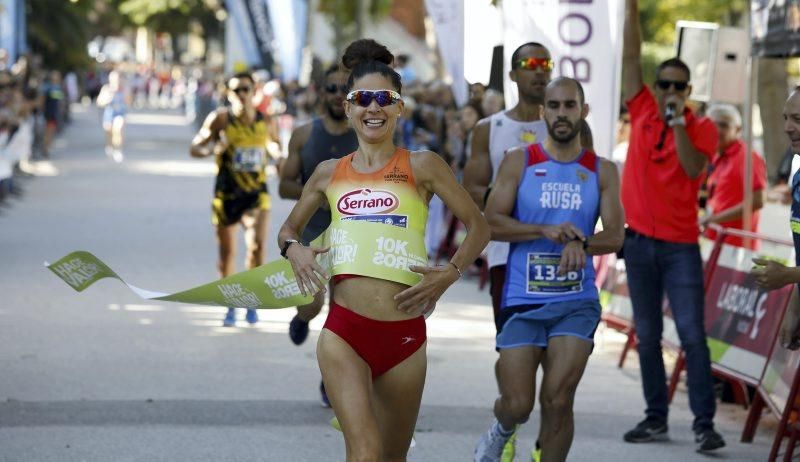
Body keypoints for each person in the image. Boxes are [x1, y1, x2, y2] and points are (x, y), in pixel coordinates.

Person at [278, 39, 489, 462]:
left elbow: (479, 227)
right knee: (366, 453)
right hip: (344, 333)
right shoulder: (326, 174)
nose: (373, 107)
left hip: (405, 338)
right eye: (362, 99)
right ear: (349, 108)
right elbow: (288, 229)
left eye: (384, 99)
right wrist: (294, 250)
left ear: (399, 108)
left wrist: (450, 273)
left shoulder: (424, 165)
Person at [474, 77, 624, 462]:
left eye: (569, 106)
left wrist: (582, 242)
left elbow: (616, 236)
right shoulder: (519, 161)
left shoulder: (601, 170)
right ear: (543, 112)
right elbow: (491, 222)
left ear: (583, 111)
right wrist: (542, 229)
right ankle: (502, 430)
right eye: (553, 106)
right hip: (523, 297)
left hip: (576, 301)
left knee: (558, 398)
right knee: (518, 404)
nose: (561, 113)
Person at [620, 0, 725, 451]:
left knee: (692, 337)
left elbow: (690, 167)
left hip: (680, 247)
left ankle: (705, 424)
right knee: (646, 337)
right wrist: (630, 10)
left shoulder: (702, 127)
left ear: (688, 89)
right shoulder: (641, 108)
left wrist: (680, 121)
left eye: (677, 86)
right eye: (663, 84)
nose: (668, 91)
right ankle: (655, 417)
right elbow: (628, 57)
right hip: (639, 243)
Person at [278, 63, 358, 406]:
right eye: (332, 89)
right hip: (311, 231)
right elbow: (283, 185)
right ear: (320, 94)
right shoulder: (304, 135)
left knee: (342, 311)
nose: (338, 95)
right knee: (313, 305)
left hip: (353, 234)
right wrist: (319, 191)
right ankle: (301, 317)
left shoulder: (365, 135)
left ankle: (330, 380)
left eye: (345, 89)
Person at [464, 42, 553, 333]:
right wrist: (510, 203)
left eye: (545, 65)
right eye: (530, 65)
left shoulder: (564, 127)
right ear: (513, 75)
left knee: (560, 357)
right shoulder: (489, 128)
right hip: (507, 256)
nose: (539, 72)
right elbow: (472, 190)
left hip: (558, 257)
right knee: (514, 351)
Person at [190, 72, 275, 327]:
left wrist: (279, 157)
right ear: (228, 93)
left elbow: (275, 145)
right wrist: (212, 150)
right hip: (226, 194)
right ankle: (229, 303)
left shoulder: (266, 120)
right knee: (227, 253)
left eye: (246, 89)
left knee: (257, 245)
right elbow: (195, 147)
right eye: (236, 90)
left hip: (256, 193)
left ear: (254, 91)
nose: (242, 94)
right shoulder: (220, 119)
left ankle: (250, 298)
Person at [753, 88, 800, 349]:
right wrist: (794, 309)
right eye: (785, 118)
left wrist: (787, 275)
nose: (788, 128)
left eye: (798, 120)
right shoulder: (798, 178)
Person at [700, 104, 767, 250]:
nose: (717, 130)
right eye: (712, 124)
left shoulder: (747, 157)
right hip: (716, 242)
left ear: (737, 129)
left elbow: (758, 201)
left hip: (736, 248)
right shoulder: (717, 156)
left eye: (723, 125)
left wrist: (712, 220)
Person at [97, 71, 129, 162]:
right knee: (109, 132)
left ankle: (118, 150)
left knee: (118, 129)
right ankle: (109, 146)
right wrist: (107, 98)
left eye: (118, 79)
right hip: (109, 114)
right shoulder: (106, 89)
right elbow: (99, 102)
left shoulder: (124, 88)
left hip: (120, 113)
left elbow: (129, 101)